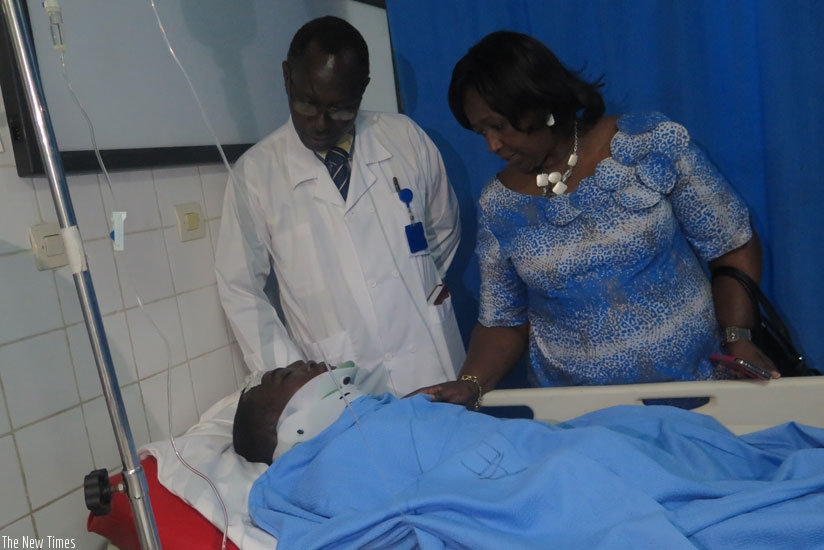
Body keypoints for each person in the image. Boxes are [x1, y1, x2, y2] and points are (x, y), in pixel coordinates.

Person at [412, 30, 776, 410]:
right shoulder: (499, 205)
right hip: (581, 422)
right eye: (481, 131)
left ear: (536, 104)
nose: (491, 145)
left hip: (698, 399)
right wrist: (471, 383)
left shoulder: (648, 145)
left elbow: (731, 243)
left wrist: (738, 336)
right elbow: (504, 320)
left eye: (498, 126)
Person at [234, 361, 824, 549]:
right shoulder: (319, 466)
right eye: (284, 375)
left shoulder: (386, 409)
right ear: (286, 424)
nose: (306, 363)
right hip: (560, 481)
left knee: (657, 429)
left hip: (574, 447)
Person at [215, 16, 465, 398]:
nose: (320, 123)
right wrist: (293, 379)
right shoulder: (255, 174)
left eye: (341, 109)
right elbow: (240, 288)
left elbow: (442, 227)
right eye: (306, 102)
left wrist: (419, 291)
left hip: (428, 356)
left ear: (362, 89)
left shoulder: (404, 137)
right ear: (286, 76)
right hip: (340, 379)